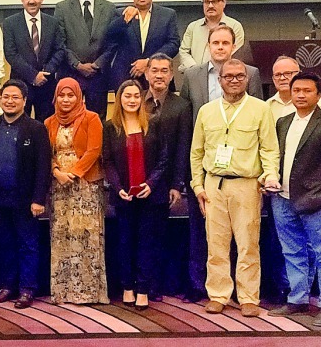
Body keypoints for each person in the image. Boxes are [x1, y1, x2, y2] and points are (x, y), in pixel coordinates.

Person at [189, 59, 280, 317]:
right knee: (216, 243)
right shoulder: (206, 111)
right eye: (228, 76)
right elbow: (196, 153)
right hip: (213, 185)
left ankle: (249, 297)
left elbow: (270, 149)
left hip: (246, 185)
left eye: (239, 76)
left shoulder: (260, 109)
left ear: (247, 79)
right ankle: (218, 294)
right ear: (220, 80)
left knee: (248, 243)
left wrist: (270, 175)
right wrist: (198, 186)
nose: (234, 80)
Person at [268, 72, 321, 327]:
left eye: (307, 91)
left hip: (316, 200)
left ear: (319, 95)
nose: (301, 95)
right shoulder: (283, 121)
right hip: (282, 199)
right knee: (292, 252)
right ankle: (297, 299)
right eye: (296, 90)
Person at [0, 79, 49, 309]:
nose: (9, 101)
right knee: (4, 243)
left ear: (24, 101)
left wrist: (39, 199)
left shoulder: (36, 128)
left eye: (15, 97)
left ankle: (27, 289)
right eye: (6, 97)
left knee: (27, 244)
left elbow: (43, 166)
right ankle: (7, 286)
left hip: (26, 200)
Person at [103, 80, 170, 310]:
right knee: (124, 243)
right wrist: (117, 186)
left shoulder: (154, 123)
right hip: (124, 196)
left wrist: (151, 184)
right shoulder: (110, 127)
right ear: (119, 99)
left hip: (149, 196)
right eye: (127, 96)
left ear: (141, 99)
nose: (132, 100)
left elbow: (163, 158)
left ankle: (143, 288)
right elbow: (108, 161)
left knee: (145, 243)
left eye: (135, 96)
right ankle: (127, 287)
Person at [46, 77, 108, 304]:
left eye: (70, 95)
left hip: (86, 185)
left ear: (79, 97)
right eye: (61, 95)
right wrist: (57, 172)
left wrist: (73, 173)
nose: (65, 99)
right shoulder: (49, 122)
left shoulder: (92, 119)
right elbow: (47, 154)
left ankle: (88, 292)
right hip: (59, 186)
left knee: (85, 236)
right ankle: (62, 291)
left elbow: (94, 150)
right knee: (62, 235)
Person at [142, 54, 199, 302]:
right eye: (154, 70)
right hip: (138, 178)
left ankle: (157, 284)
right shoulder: (136, 101)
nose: (159, 75)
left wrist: (177, 184)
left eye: (165, 71)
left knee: (158, 234)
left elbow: (183, 146)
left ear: (172, 75)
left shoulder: (181, 106)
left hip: (165, 182)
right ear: (146, 74)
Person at [55, 0, 116, 118]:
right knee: (68, 118)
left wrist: (97, 64)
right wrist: (77, 65)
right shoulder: (62, 8)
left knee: (97, 120)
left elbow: (112, 42)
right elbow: (59, 42)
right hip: (70, 73)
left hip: (98, 76)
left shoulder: (109, 8)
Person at [3, 0, 67, 120]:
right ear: (22, 0)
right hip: (20, 85)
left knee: (45, 127)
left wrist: (45, 73)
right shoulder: (10, 23)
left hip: (47, 85)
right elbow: (11, 54)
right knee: (19, 125)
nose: (31, 1)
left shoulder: (53, 23)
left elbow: (60, 50)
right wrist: (33, 76)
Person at [105, 0, 180, 89]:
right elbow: (109, 36)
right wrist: (124, 20)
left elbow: (173, 43)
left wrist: (149, 62)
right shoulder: (121, 13)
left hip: (157, 76)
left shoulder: (168, 15)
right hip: (126, 77)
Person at [180, 25, 264, 122]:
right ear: (208, 46)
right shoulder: (191, 75)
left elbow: (258, 112)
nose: (220, 47)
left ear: (233, 47)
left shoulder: (251, 73)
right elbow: (185, 116)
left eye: (225, 43)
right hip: (205, 135)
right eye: (216, 43)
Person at [177, 0, 246, 73]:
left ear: (224, 2)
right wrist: (197, 71)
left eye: (215, 1)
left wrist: (214, 70)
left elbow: (235, 53)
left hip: (224, 76)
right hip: (195, 77)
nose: (210, 5)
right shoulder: (193, 27)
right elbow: (184, 52)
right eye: (206, 2)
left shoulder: (235, 26)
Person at [266, 56, 321, 120]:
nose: (282, 78)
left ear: (298, 74)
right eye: (277, 75)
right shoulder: (267, 106)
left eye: (287, 73)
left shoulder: (320, 104)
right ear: (273, 78)